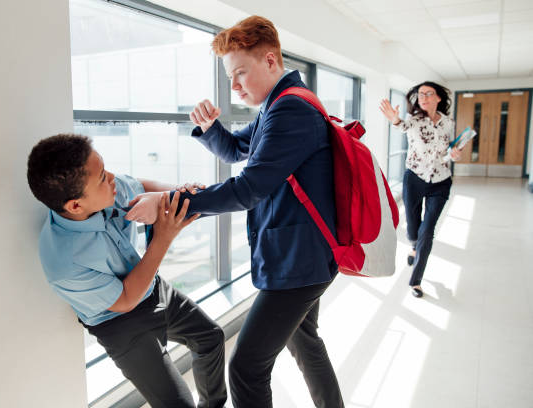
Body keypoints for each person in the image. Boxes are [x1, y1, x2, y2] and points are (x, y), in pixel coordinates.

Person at [125, 16, 344, 408]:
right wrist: (211, 128)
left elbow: (248, 189)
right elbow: (237, 151)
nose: (234, 86)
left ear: (271, 61)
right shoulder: (276, 105)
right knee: (306, 342)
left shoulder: (290, 110)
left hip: (298, 263)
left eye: (240, 72)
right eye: (230, 77)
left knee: (245, 368)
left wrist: (167, 203)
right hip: (304, 255)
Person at [26, 134, 227, 408]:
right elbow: (125, 300)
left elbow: (142, 188)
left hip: (153, 289)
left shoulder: (107, 188)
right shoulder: (64, 263)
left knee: (211, 337)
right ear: (75, 205)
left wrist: (178, 194)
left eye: (105, 168)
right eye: (101, 178)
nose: (111, 178)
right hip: (119, 323)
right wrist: (163, 238)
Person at [380, 82, 462, 298]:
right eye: (420, 94)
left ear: (438, 98)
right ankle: (414, 245)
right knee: (413, 228)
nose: (423, 97)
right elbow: (401, 125)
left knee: (428, 231)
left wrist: (454, 153)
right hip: (414, 179)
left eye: (428, 94)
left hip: (441, 181)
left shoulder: (448, 123)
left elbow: (449, 148)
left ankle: (415, 281)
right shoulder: (414, 121)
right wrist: (395, 119)